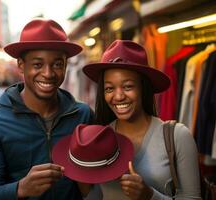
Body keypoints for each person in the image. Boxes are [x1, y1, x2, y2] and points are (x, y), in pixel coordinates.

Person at [0, 18, 96, 200]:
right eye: (37, 64)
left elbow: (96, 184)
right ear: (21, 64)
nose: (48, 73)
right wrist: (21, 189)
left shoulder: (83, 115)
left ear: (66, 66)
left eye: (57, 64)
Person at [82, 40, 201, 200]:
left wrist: (149, 195)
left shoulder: (177, 137)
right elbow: (99, 196)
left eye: (128, 86)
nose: (118, 96)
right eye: (109, 88)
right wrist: (79, 180)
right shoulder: (100, 138)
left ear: (144, 87)